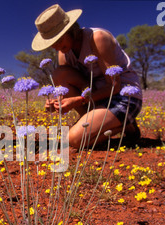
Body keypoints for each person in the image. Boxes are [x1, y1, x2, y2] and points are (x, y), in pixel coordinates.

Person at [31, 4, 143, 149]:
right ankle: (106, 121)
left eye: (58, 39)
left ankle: (125, 124)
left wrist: (79, 100)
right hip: (97, 97)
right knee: (59, 73)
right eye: (52, 43)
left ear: (70, 29)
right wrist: (57, 102)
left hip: (124, 95)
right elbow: (67, 87)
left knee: (74, 140)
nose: (56, 46)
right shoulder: (64, 52)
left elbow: (114, 86)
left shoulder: (97, 38)